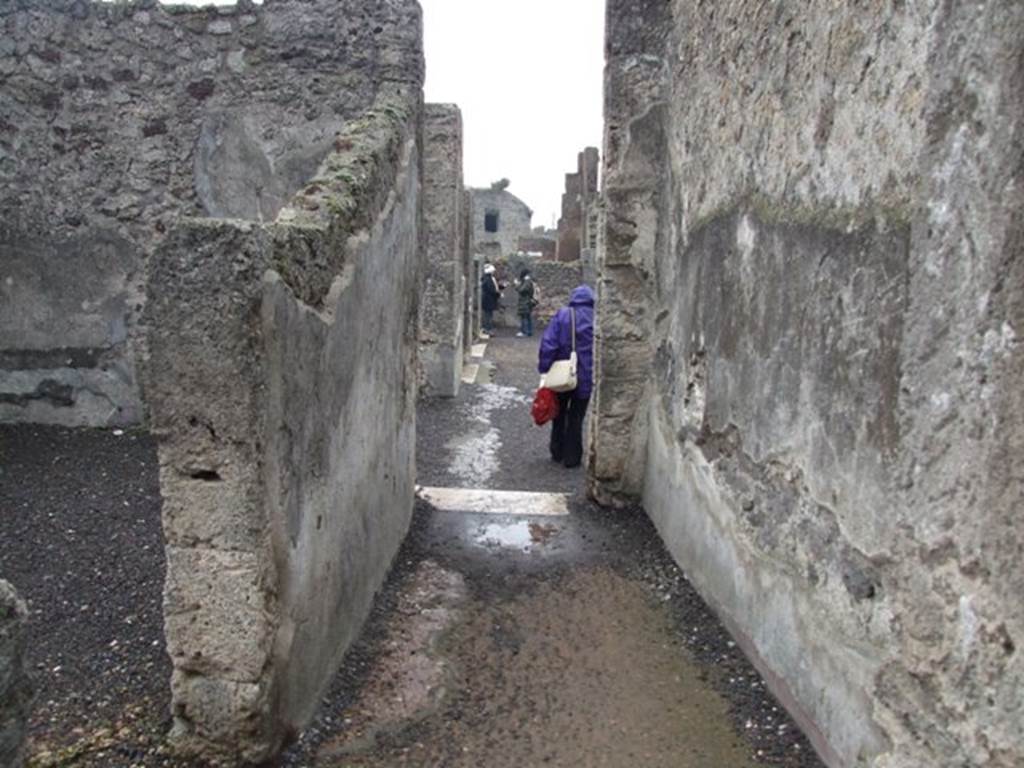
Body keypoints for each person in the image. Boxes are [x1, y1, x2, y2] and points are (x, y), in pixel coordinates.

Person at [538, 284, 594, 468]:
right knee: (577, 417)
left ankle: (557, 450)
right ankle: (572, 458)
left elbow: (549, 343)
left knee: (559, 412)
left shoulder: (563, 315)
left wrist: (544, 368)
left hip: (562, 374)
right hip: (585, 375)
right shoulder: (597, 317)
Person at [515, 268, 537, 337]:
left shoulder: (527, 281)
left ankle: (525, 332)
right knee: (527, 317)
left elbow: (522, 290)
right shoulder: (528, 281)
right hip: (527, 301)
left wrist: (517, 285)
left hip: (525, 302)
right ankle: (529, 331)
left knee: (524, 317)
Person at [480, 263, 501, 338]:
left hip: (488, 300)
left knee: (488, 315)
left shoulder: (486, 278)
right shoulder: (488, 279)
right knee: (488, 315)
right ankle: (487, 329)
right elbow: (492, 289)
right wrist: (498, 294)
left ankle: (488, 328)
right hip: (488, 300)